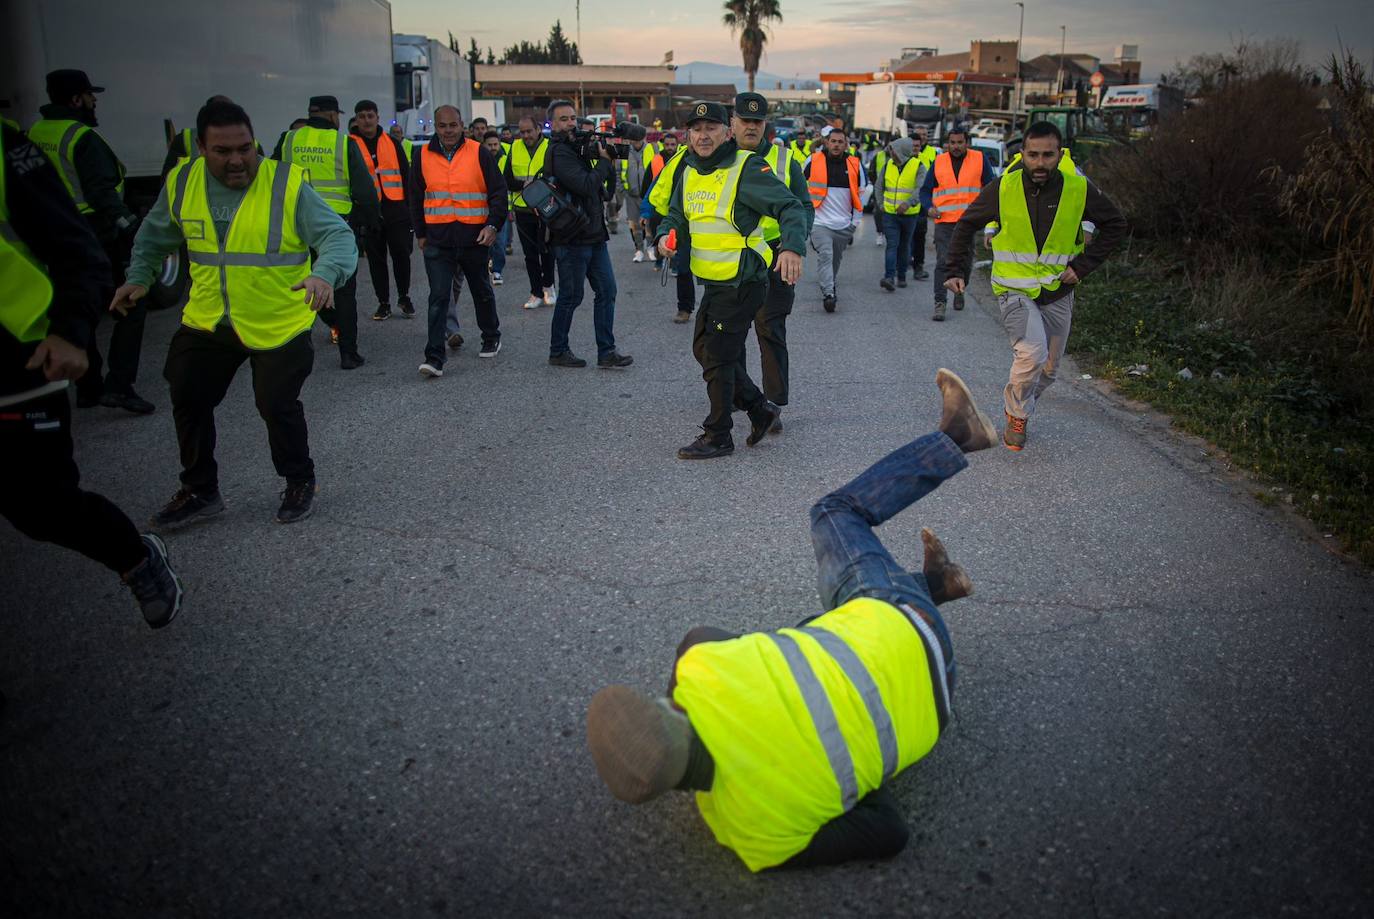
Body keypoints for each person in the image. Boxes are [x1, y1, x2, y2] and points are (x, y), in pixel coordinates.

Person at [586, 369, 999, 869]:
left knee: (815, 639)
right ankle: (957, 437)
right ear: (666, 705)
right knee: (834, 513)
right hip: (897, 619)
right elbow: (697, 641)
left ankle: (937, 586)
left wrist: (837, 774)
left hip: (937, 707)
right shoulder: (706, 672)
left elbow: (888, 831)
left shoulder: (752, 837)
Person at [116, 99, 356, 526]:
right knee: (187, 394)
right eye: (223, 151)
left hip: (278, 319)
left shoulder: (283, 182)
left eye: (245, 148)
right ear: (202, 149)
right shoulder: (182, 181)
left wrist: (324, 274)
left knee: (275, 404)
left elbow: (337, 236)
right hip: (211, 319)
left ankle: (299, 480)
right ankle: (200, 489)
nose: (237, 159)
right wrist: (140, 277)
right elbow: (154, 237)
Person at [0, 117, 183, 628]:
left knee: (41, 507)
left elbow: (73, 243)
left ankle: (134, 557)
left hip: (18, 359)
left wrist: (71, 330)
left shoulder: (8, 146)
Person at [945, 121, 1126, 451]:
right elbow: (967, 223)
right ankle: (1017, 413)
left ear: (1060, 154)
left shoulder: (1078, 188)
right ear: (1022, 154)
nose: (1040, 163)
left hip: (1058, 289)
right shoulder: (1003, 188)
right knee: (1032, 353)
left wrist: (1082, 267)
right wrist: (957, 269)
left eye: (1047, 155)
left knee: (1050, 369)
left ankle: (1020, 402)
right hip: (1013, 289)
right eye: (1033, 155)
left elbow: (1115, 225)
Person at [653, 100, 806, 460]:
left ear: (727, 132)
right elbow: (676, 214)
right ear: (688, 134)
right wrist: (665, 235)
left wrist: (792, 248)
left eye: (711, 128)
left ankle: (718, 434)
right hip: (715, 279)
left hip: (746, 278)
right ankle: (759, 409)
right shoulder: (689, 169)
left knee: (718, 357)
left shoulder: (747, 168)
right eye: (696, 129)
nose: (703, 136)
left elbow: (792, 207)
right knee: (703, 350)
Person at [27, 69, 152, 414]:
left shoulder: (35, 133)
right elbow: (100, 193)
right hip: (96, 232)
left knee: (78, 304)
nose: (94, 100)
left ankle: (88, 386)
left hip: (53, 231)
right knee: (131, 301)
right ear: (76, 99)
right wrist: (132, 227)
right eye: (89, 95)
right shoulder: (81, 137)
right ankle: (120, 385)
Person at [274, 94, 380, 368]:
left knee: (301, 284)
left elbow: (270, 180)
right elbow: (365, 191)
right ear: (333, 115)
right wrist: (369, 222)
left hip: (295, 228)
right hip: (337, 228)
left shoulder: (288, 140)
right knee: (344, 290)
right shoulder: (342, 143)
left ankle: (297, 347)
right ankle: (348, 352)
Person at [730, 93, 813, 430]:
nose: (751, 127)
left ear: (765, 125)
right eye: (745, 120)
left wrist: (793, 246)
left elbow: (804, 206)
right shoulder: (718, 161)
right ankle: (740, 394)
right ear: (733, 122)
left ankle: (774, 403)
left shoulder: (785, 161)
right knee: (729, 332)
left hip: (777, 258)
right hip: (733, 258)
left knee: (770, 329)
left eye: (757, 121)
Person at [409, 105, 507, 378]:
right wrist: (421, 234)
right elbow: (415, 197)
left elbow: (498, 191)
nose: (448, 131)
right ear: (435, 127)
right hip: (438, 242)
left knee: (481, 291)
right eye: (442, 126)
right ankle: (434, 357)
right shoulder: (422, 156)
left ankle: (491, 335)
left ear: (461, 125)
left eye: (453, 125)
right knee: (439, 297)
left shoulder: (478, 152)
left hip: (474, 238)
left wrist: (493, 225)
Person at [544, 99, 633, 369]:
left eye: (572, 118)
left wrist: (607, 164)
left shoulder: (578, 148)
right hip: (571, 237)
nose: (570, 123)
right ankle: (558, 350)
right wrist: (605, 163)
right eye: (563, 119)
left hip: (593, 234)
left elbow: (602, 192)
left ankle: (606, 352)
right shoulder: (559, 152)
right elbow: (585, 185)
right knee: (571, 296)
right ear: (552, 124)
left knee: (607, 290)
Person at [919, 125, 993, 321]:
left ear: (966, 142)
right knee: (943, 261)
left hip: (969, 222)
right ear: (947, 144)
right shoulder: (939, 162)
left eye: (960, 142)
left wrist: (987, 214)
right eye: (952, 143)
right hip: (945, 221)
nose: (956, 146)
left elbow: (991, 187)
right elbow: (925, 191)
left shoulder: (979, 159)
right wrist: (928, 207)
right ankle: (940, 303)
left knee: (965, 263)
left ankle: (960, 290)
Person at [351, 99, 415, 321]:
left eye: (370, 115)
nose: (366, 120)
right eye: (362, 116)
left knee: (401, 255)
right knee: (376, 260)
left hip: (396, 209)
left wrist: (410, 210)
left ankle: (404, 297)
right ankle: (383, 302)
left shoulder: (392, 142)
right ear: (356, 119)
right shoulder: (350, 144)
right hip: (368, 211)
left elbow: (406, 176)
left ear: (378, 117)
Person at [804, 127, 867, 313]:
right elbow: (799, 185)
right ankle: (829, 294)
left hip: (844, 224)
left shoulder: (854, 164)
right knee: (826, 255)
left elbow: (862, 192)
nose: (837, 145)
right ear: (827, 142)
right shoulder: (813, 160)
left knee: (835, 259)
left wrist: (855, 222)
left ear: (846, 144)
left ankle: (829, 281)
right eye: (833, 141)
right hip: (819, 222)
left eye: (840, 142)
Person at [641, 133, 696, 323]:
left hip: (711, 223)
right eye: (694, 135)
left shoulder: (719, 159)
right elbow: (658, 185)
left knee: (717, 270)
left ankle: (717, 313)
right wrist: (646, 211)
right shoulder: (677, 160)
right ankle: (684, 308)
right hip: (681, 222)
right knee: (683, 268)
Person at [505, 116, 557, 310]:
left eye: (529, 131)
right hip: (522, 208)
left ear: (538, 130)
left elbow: (555, 177)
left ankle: (549, 286)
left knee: (547, 250)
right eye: (522, 132)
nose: (525, 135)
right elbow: (507, 179)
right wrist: (524, 185)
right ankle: (535, 292)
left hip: (545, 208)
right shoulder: (514, 147)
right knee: (530, 254)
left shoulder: (550, 146)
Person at [872, 137, 923, 293]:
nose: (891, 153)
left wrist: (908, 203)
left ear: (902, 151)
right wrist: (881, 205)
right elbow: (878, 186)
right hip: (890, 214)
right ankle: (889, 277)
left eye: (893, 150)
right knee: (892, 245)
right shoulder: (888, 165)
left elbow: (921, 188)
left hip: (910, 214)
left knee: (904, 245)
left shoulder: (918, 166)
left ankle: (902, 276)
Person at [618, 131, 655, 263]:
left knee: (648, 223)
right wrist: (623, 189)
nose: (636, 142)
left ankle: (650, 248)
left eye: (639, 139)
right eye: (634, 139)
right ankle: (639, 250)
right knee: (634, 224)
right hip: (631, 195)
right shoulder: (625, 151)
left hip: (648, 195)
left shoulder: (652, 149)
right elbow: (618, 172)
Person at [481, 130, 511, 286]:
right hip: (481, 208)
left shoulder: (506, 159)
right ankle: (487, 265)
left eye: (495, 144)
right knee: (484, 241)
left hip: (501, 208)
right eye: (489, 145)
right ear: (483, 145)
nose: (493, 148)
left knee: (500, 241)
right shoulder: (477, 161)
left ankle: (497, 270)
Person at [907, 128, 937, 280]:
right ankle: (901, 265)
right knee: (904, 236)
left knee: (919, 236)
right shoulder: (900, 158)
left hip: (921, 204)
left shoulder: (931, 154)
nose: (915, 148)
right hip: (904, 204)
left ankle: (918, 266)